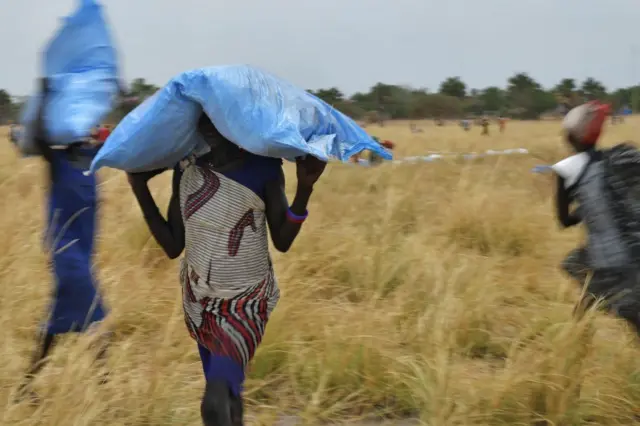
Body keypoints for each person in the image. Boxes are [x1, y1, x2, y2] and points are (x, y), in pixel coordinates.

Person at [127, 112, 327, 426]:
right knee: (228, 398)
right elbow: (172, 244)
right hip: (199, 303)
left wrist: (304, 189)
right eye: (203, 118)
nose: (208, 125)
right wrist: (139, 188)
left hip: (246, 303)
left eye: (217, 116)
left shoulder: (264, 169)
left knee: (215, 400)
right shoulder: (187, 171)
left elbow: (283, 239)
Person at [16, 78, 110, 401]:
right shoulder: (57, 162)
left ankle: (27, 385)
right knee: (94, 316)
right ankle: (105, 387)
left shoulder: (94, 156)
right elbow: (39, 136)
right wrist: (43, 94)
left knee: (62, 320)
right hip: (65, 251)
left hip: (82, 253)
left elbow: (126, 143)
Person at [552, 101, 640, 337]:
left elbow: (564, 220)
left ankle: (573, 338)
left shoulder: (567, 169)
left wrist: (583, 211)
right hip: (635, 249)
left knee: (594, 283)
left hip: (608, 260)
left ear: (570, 136)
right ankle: (574, 336)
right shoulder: (623, 159)